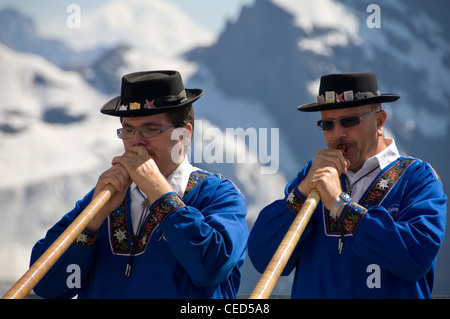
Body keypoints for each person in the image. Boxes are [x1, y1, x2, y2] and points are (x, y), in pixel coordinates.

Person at [31, 70, 249, 299]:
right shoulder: (104, 198)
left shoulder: (219, 195)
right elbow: (46, 284)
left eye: (151, 129)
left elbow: (211, 268)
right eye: (128, 129)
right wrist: (92, 222)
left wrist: (158, 190)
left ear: (184, 135)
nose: (136, 140)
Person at [248, 72, 447, 298]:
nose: (337, 134)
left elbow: (416, 256)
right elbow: (262, 257)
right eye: (327, 124)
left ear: (379, 121)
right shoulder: (312, 177)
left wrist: (340, 205)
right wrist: (301, 192)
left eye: (349, 121)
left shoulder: (417, 178)